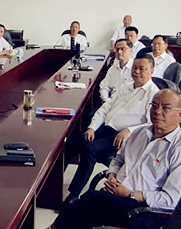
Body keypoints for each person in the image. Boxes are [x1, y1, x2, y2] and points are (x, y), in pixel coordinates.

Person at [33, 89, 181, 229]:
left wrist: (131, 194)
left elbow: (171, 200)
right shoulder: (140, 133)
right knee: (85, 214)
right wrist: (112, 175)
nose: (157, 111)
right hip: (117, 198)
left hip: (147, 212)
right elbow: (118, 160)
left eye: (166, 108)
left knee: (90, 202)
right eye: (154, 105)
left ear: (180, 114)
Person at [63, 54, 160, 205]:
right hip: (105, 128)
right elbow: (104, 109)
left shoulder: (154, 94)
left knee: (90, 150)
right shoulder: (125, 87)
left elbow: (151, 124)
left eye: (142, 69)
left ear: (152, 71)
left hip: (122, 137)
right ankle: (51, 186)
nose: (137, 71)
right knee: (71, 143)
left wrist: (130, 130)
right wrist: (92, 128)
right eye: (134, 67)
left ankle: (74, 195)